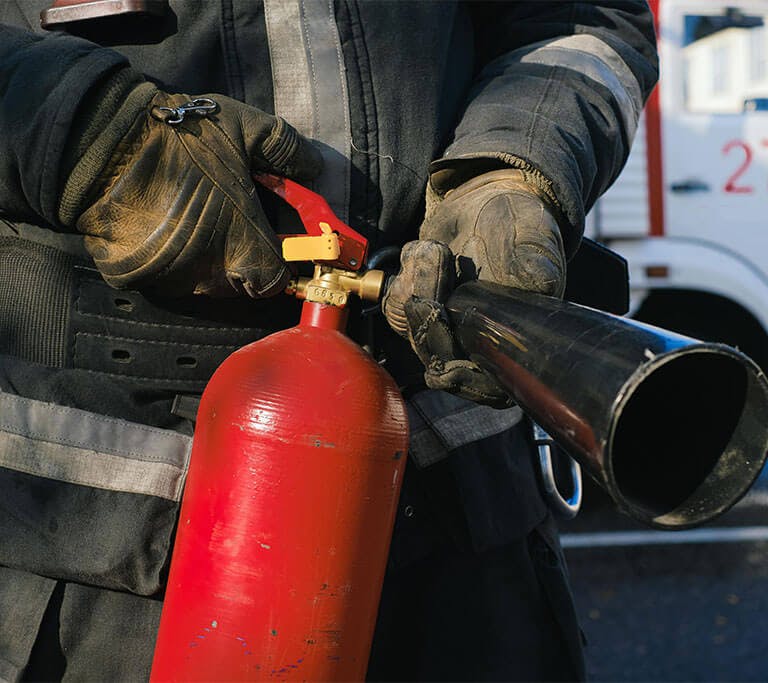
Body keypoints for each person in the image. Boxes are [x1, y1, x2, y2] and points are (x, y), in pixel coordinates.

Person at [0, 1, 658, 680]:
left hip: (461, 558)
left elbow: (580, 21)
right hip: (93, 574)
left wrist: (515, 166)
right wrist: (86, 132)